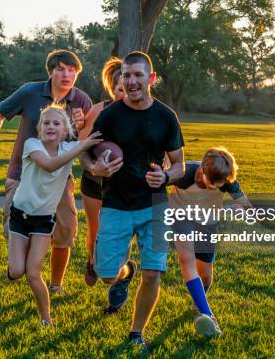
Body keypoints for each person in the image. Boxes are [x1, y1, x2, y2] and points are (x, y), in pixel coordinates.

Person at [80, 51, 185, 353]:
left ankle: (136, 333)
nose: (132, 81)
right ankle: (126, 271)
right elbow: (86, 151)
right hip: (115, 203)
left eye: (138, 75)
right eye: (127, 75)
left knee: (154, 273)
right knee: (105, 274)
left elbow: (178, 165)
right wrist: (93, 168)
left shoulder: (166, 117)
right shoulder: (111, 115)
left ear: (151, 79)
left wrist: (165, 178)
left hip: (154, 205)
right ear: (121, 79)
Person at [0, 49, 92, 294]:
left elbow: (83, 141)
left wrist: (81, 127)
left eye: (72, 70)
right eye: (60, 69)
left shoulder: (81, 100)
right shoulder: (30, 92)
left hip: (58, 181)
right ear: (50, 71)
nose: (66, 74)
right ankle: (17, 267)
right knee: (14, 231)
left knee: (64, 230)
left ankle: (55, 285)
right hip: (21, 175)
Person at [7, 105, 102, 326]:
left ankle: (46, 319)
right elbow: (49, 166)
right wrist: (81, 147)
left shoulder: (70, 148)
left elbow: (93, 154)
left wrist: (95, 160)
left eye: (56, 123)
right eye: (46, 123)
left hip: (43, 221)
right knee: (17, 271)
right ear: (40, 129)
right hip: (19, 215)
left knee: (32, 273)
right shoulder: (32, 145)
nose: (51, 126)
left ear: (65, 130)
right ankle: (11, 270)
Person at [170, 147, 252, 336]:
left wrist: (241, 210)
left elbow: (245, 205)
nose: (216, 186)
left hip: (208, 222)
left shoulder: (225, 179)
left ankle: (199, 300)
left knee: (205, 273)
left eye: (220, 184)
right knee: (186, 258)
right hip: (181, 218)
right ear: (203, 170)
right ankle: (208, 316)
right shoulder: (183, 173)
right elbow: (160, 180)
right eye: (212, 182)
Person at [78, 57, 126, 286]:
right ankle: (91, 259)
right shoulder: (100, 110)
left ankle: (123, 272)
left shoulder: (148, 112)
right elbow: (81, 144)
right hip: (94, 182)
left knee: (118, 239)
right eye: (120, 90)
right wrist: (94, 167)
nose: (125, 94)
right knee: (95, 232)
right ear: (113, 89)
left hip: (126, 188)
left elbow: (164, 155)